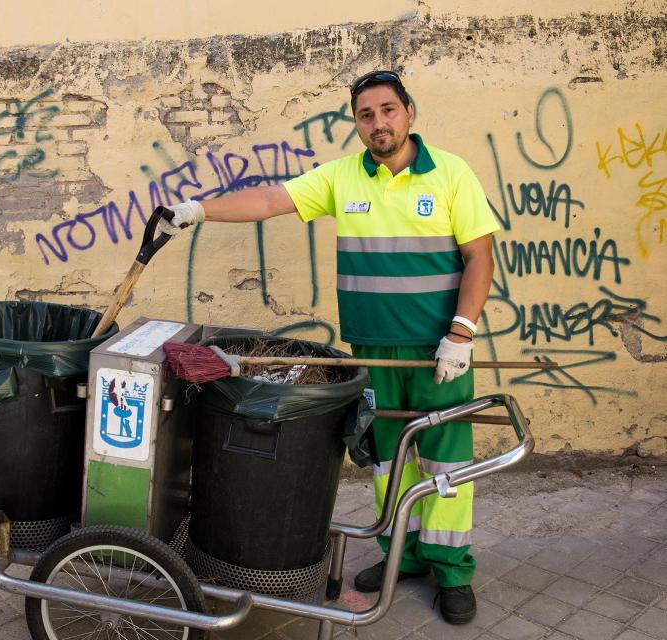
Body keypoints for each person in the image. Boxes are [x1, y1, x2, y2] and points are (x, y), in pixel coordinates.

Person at [157, 70, 499, 625]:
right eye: (366, 115)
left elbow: (479, 257)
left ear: (409, 113)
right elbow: (270, 200)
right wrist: (199, 210)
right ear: (357, 124)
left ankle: (452, 569)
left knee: (444, 462)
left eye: (388, 110)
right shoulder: (343, 177)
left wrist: (461, 334)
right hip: (371, 351)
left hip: (438, 352)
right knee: (389, 462)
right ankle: (403, 556)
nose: (378, 123)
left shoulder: (452, 174)